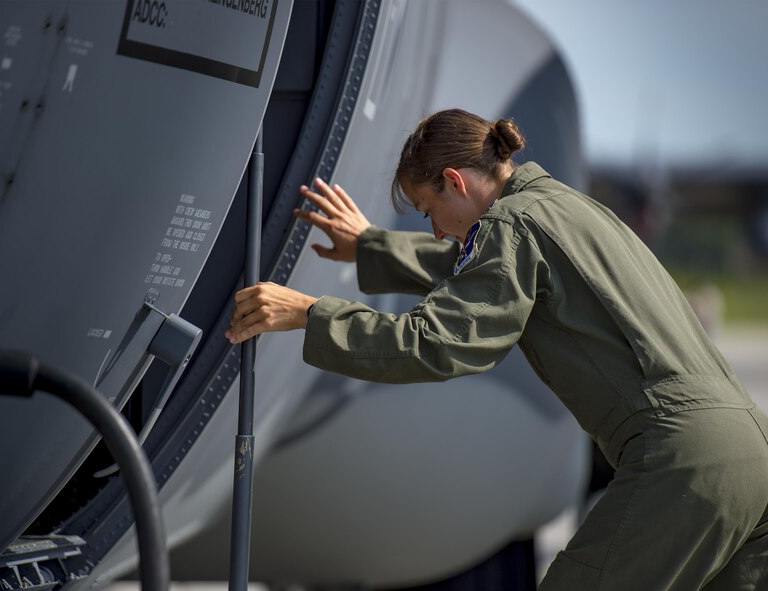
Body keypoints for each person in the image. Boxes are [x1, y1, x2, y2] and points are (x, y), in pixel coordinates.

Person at [225, 109, 768, 589]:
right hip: (751, 452)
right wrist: (371, 247)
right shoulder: (563, 208)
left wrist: (309, 314)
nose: (435, 231)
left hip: (680, 461)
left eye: (425, 210)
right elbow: (475, 270)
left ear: (454, 182)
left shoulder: (509, 225)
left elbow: (435, 341)